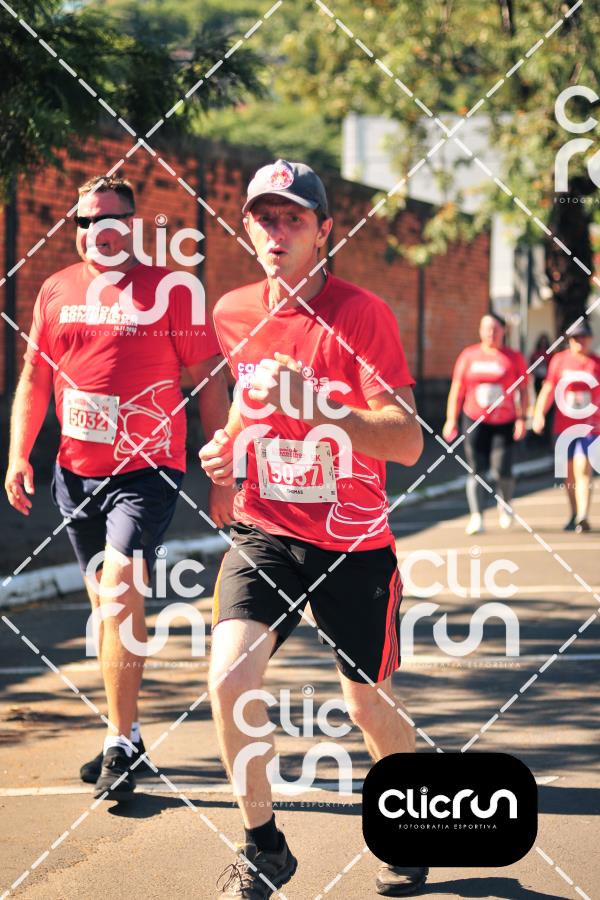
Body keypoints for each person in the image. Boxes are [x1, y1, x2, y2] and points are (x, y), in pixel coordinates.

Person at [200, 159, 427, 898]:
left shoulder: (362, 316)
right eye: (264, 218)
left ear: (324, 230)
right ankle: (264, 846)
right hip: (266, 532)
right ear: (247, 228)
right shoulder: (233, 311)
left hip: (352, 544)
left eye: (293, 218)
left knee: (368, 705)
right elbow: (249, 404)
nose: (277, 231)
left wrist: (322, 408)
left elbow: (407, 440)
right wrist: (228, 451)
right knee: (229, 677)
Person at [5, 175, 233, 802]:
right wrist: (19, 454)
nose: (96, 230)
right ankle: (127, 736)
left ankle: (118, 742)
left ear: (132, 225)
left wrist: (222, 473)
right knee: (107, 610)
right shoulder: (56, 290)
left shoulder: (172, 291)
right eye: (85, 220)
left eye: (109, 218)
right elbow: (35, 378)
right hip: (75, 473)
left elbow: (209, 380)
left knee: (119, 587)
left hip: (147, 469)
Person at [442, 313, 529, 535]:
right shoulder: (469, 356)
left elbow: (523, 390)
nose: (490, 333)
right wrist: (451, 419)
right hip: (474, 420)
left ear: (503, 331)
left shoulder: (513, 358)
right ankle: (477, 516)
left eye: (495, 329)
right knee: (476, 470)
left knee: (502, 469)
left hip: (504, 421)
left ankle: (505, 503)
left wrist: (522, 418)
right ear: (480, 331)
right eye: (486, 328)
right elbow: (457, 389)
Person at [533, 319, 600, 532]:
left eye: (583, 337)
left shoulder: (596, 363)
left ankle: (583, 515)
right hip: (564, 427)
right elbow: (549, 388)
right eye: (575, 338)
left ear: (590, 338)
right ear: (569, 340)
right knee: (569, 474)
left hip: (591, 426)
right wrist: (539, 414)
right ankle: (574, 512)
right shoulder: (560, 361)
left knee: (583, 468)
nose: (580, 342)